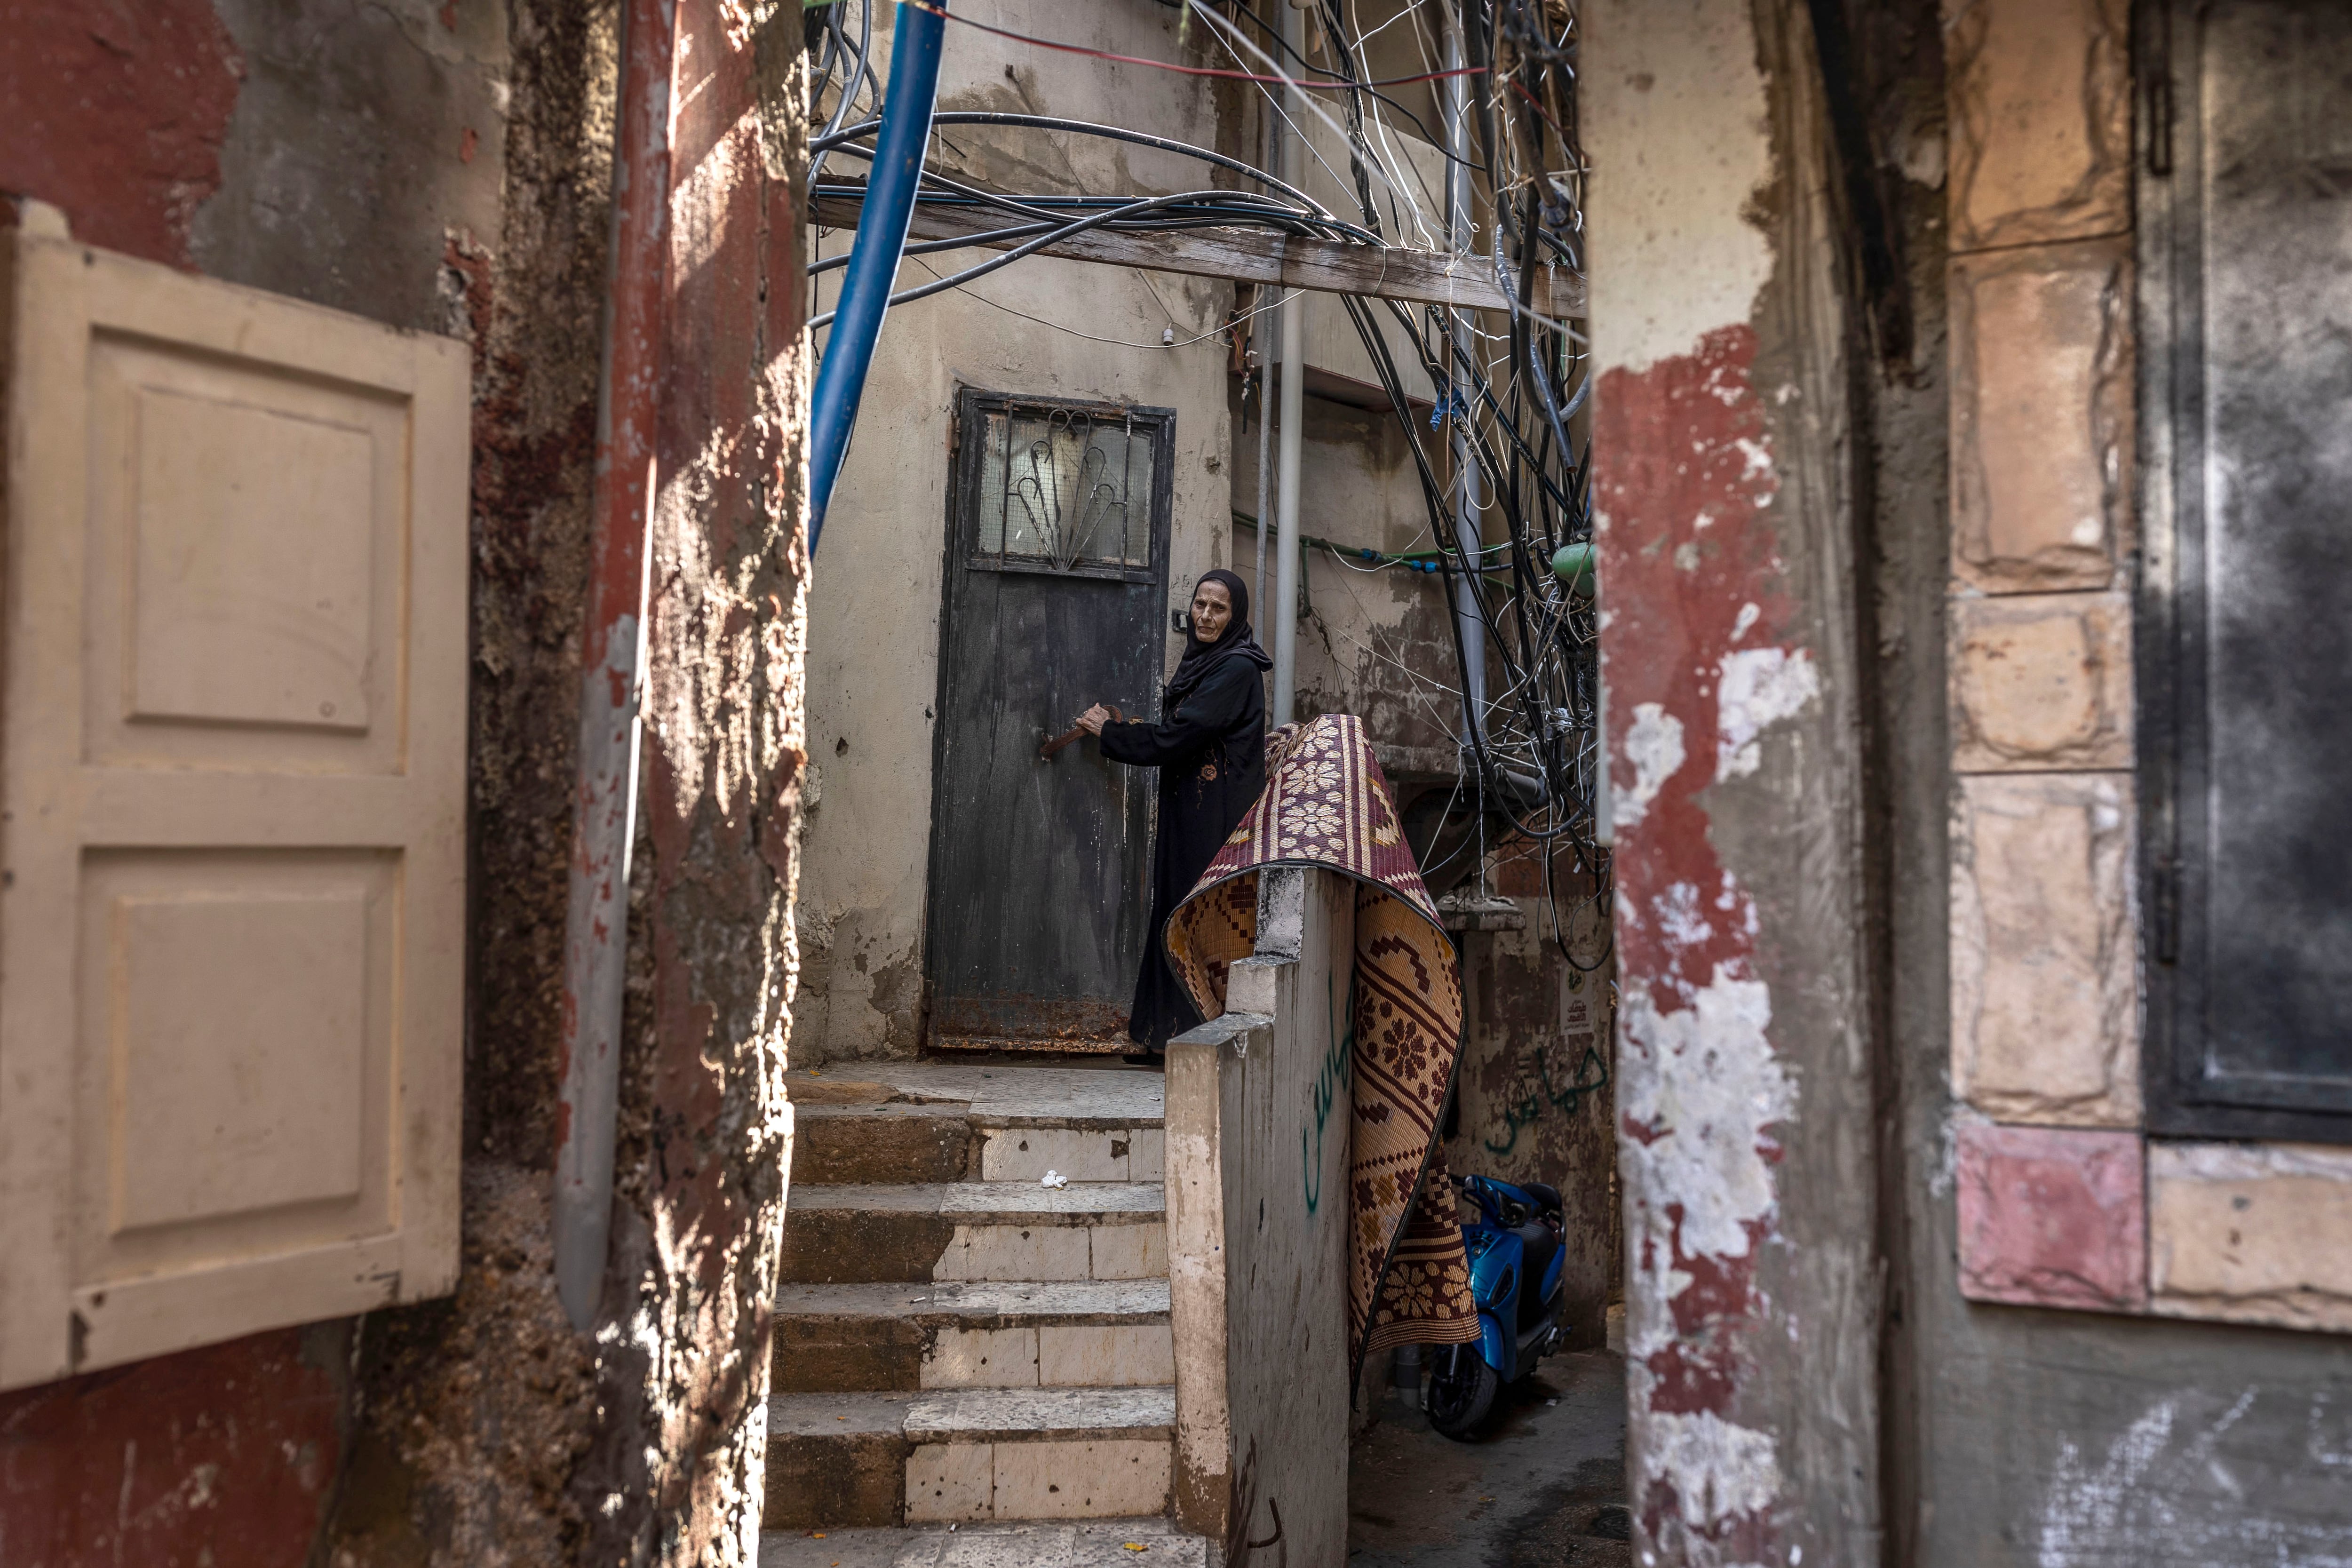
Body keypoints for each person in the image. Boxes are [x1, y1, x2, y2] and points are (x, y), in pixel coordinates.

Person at [1077, 569, 1271, 1063]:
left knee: (1191, 920)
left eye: (1218, 608)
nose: (1205, 616)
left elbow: (1180, 736)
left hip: (1216, 820)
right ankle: (1164, 1036)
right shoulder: (1206, 664)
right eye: (1200, 604)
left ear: (1236, 617)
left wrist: (1111, 735)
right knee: (1172, 915)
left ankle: (1187, 1040)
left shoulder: (1235, 670)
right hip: (1192, 811)